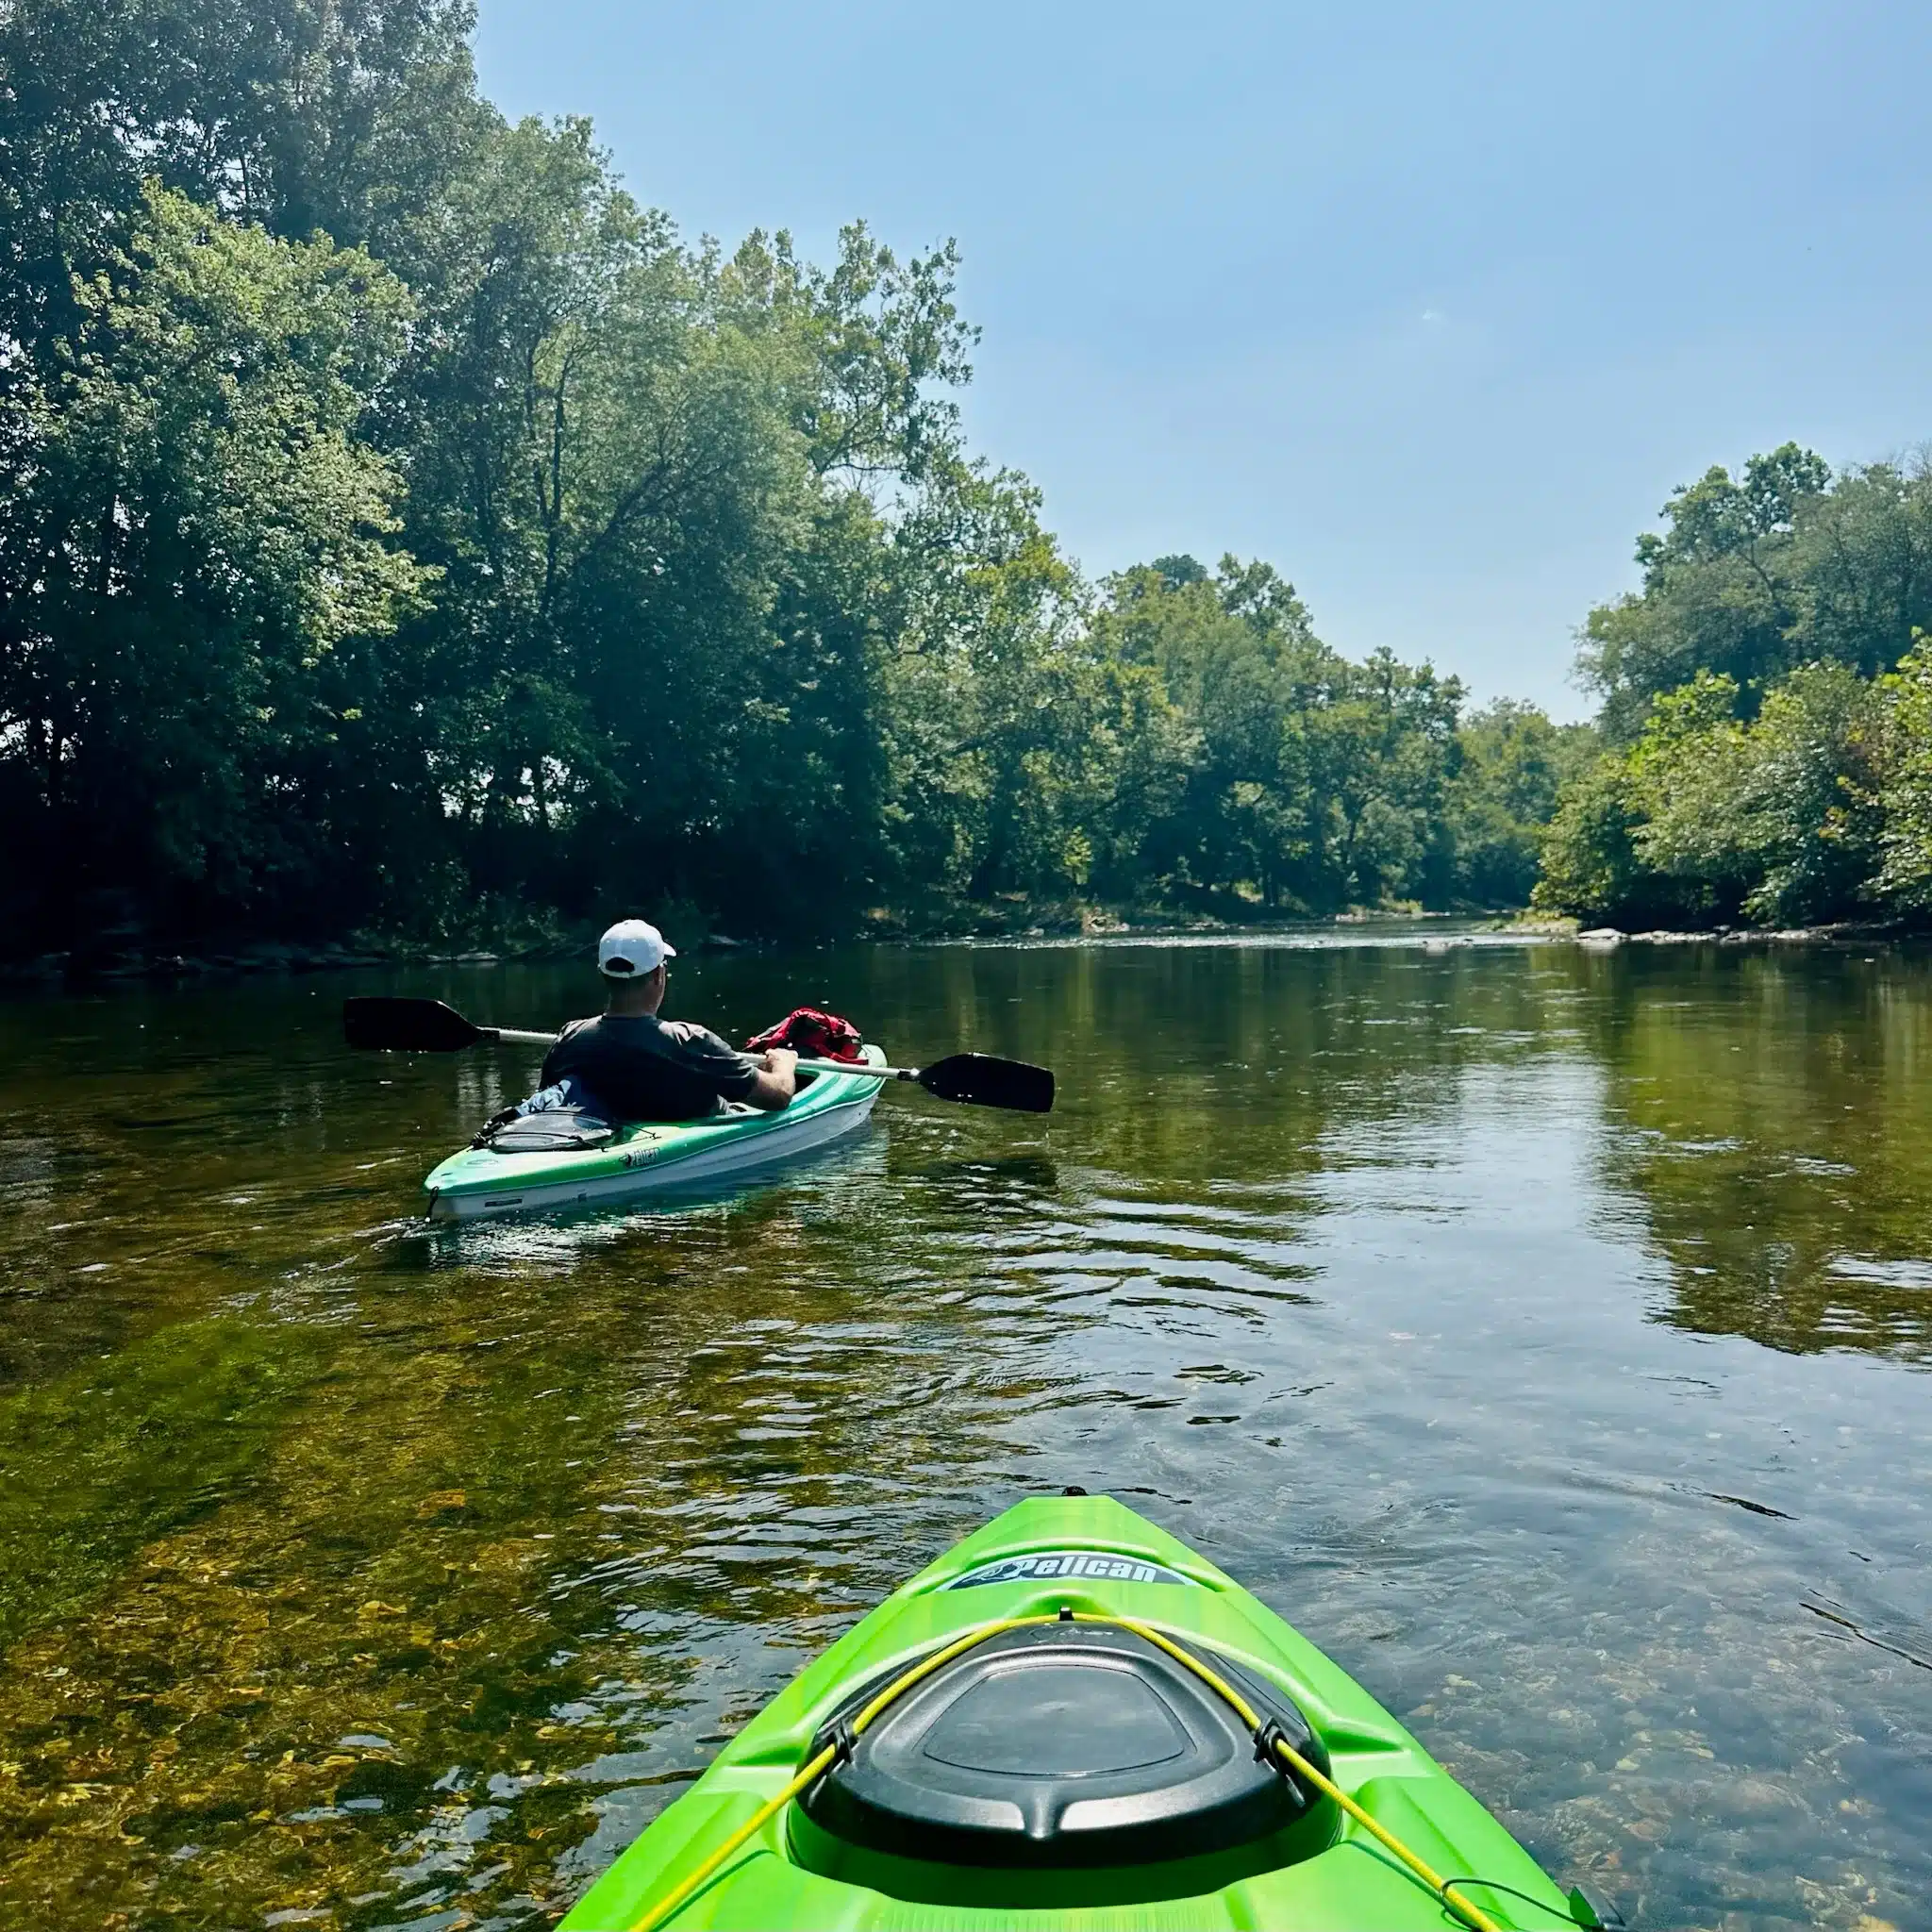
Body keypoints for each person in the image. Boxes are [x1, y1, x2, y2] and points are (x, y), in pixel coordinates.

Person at [537, 919, 796, 1122]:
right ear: (659, 975)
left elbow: (548, 1099)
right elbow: (778, 1097)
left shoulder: (570, 1038)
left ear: (603, 975)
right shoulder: (691, 1042)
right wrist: (784, 1064)